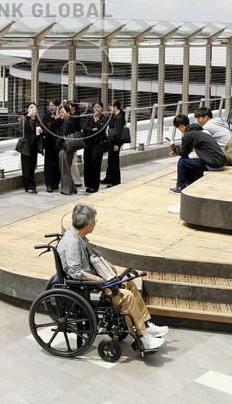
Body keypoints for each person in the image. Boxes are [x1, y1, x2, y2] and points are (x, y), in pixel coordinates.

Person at [57, 204, 167, 351]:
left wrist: (107, 266)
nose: (95, 223)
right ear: (89, 225)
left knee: (130, 284)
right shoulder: (72, 243)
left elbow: (90, 258)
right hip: (85, 288)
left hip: (92, 281)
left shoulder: (78, 236)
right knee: (127, 297)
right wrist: (99, 280)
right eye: (95, 221)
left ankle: (145, 324)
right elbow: (76, 273)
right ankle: (143, 337)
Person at [169, 114, 228, 194]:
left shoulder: (188, 135)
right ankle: (190, 183)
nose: (180, 130)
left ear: (181, 126)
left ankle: (179, 187)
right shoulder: (201, 131)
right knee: (188, 160)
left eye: (178, 128)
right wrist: (177, 151)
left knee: (182, 161)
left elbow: (183, 153)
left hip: (214, 164)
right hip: (222, 161)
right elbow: (186, 152)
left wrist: (173, 146)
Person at [81, 100, 108, 193]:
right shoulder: (89, 117)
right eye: (95, 107)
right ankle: (89, 185)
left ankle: (95, 186)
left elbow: (101, 130)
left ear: (102, 108)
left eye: (98, 107)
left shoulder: (104, 118)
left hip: (98, 145)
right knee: (87, 165)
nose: (96, 109)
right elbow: (84, 128)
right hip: (88, 144)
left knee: (95, 165)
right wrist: (93, 129)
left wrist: (96, 121)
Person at [18, 103, 43, 194]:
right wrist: (28, 116)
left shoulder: (37, 119)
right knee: (26, 167)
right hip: (26, 147)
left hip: (34, 147)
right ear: (28, 109)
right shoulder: (24, 118)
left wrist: (41, 131)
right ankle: (28, 186)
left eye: (35, 108)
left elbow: (41, 131)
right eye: (31, 108)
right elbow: (22, 129)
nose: (33, 110)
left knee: (32, 167)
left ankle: (32, 185)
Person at [57, 106, 80, 195]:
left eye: (62, 112)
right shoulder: (69, 121)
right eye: (60, 112)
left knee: (65, 170)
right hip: (70, 149)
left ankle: (66, 190)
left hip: (65, 149)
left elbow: (63, 136)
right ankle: (73, 188)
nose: (60, 114)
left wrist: (57, 144)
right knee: (66, 169)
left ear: (68, 113)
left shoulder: (67, 123)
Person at [41, 99, 61, 192]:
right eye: (50, 105)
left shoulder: (60, 116)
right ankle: (49, 184)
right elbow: (43, 126)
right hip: (48, 144)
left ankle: (55, 183)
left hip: (58, 145)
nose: (50, 107)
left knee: (57, 164)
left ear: (57, 107)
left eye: (52, 105)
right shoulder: (46, 116)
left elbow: (59, 127)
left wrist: (57, 116)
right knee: (48, 164)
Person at [104, 101, 126, 187]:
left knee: (114, 161)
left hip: (115, 142)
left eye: (111, 106)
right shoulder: (115, 115)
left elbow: (119, 132)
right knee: (111, 160)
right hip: (112, 141)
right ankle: (109, 178)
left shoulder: (119, 117)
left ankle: (115, 181)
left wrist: (116, 144)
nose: (110, 108)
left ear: (115, 107)